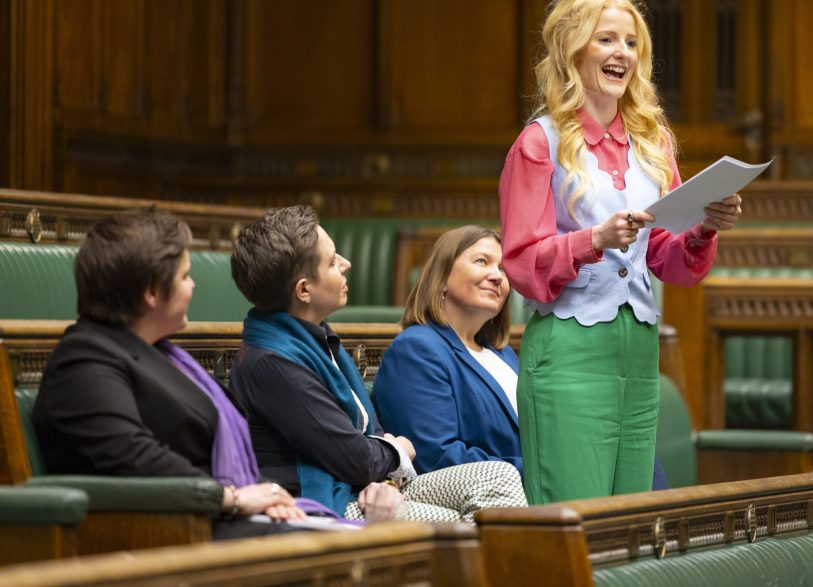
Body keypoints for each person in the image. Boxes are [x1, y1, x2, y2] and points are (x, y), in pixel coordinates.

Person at [499, 0, 743, 504]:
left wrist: (702, 228)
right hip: (569, 351)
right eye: (607, 39)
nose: (622, 54)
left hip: (637, 350)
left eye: (632, 43)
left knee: (628, 523)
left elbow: (666, 258)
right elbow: (521, 264)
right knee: (576, 516)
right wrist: (594, 239)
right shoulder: (538, 143)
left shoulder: (654, 142)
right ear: (573, 49)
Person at [229, 206, 526, 523]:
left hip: (372, 485)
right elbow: (354, 456)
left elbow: (369, 435)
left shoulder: (320, 340)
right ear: (304, 290)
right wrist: (395, 452)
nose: (346, 264)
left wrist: (386, 477)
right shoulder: (271, 362)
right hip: (322, 500)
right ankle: (520, 570)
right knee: (458, 529)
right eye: (332, 262)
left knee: (497, 476)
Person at [32, 207, 309, 540]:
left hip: (205, 519)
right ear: (151, 292)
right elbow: (133, 457)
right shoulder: (83, 361)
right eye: (184, 276)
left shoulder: (160, 353)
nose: (192, 286)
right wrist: (230, 498)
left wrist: (268, 494)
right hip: (155, 535)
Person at [374, 226, 521, 475]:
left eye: (503, 269)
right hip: (471, 506)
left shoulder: (503, 353)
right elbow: (437, 457)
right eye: (482, 261)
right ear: (442, 278)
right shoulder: (417, 349)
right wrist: (541, 474)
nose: (497, 276)